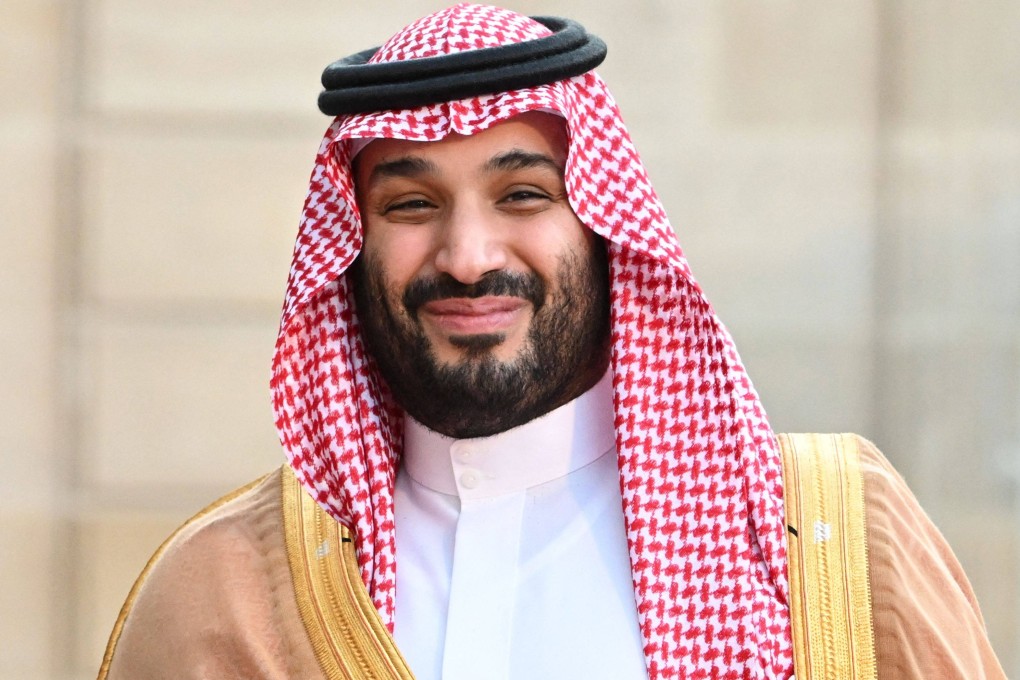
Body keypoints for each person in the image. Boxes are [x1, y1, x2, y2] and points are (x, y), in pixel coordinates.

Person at [97, 5, 1005, 679]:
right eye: (411, 205)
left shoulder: (831, 539)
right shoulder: (225, 591)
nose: (467, 258)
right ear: (350, 248)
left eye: (524, 194)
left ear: (606, 228)